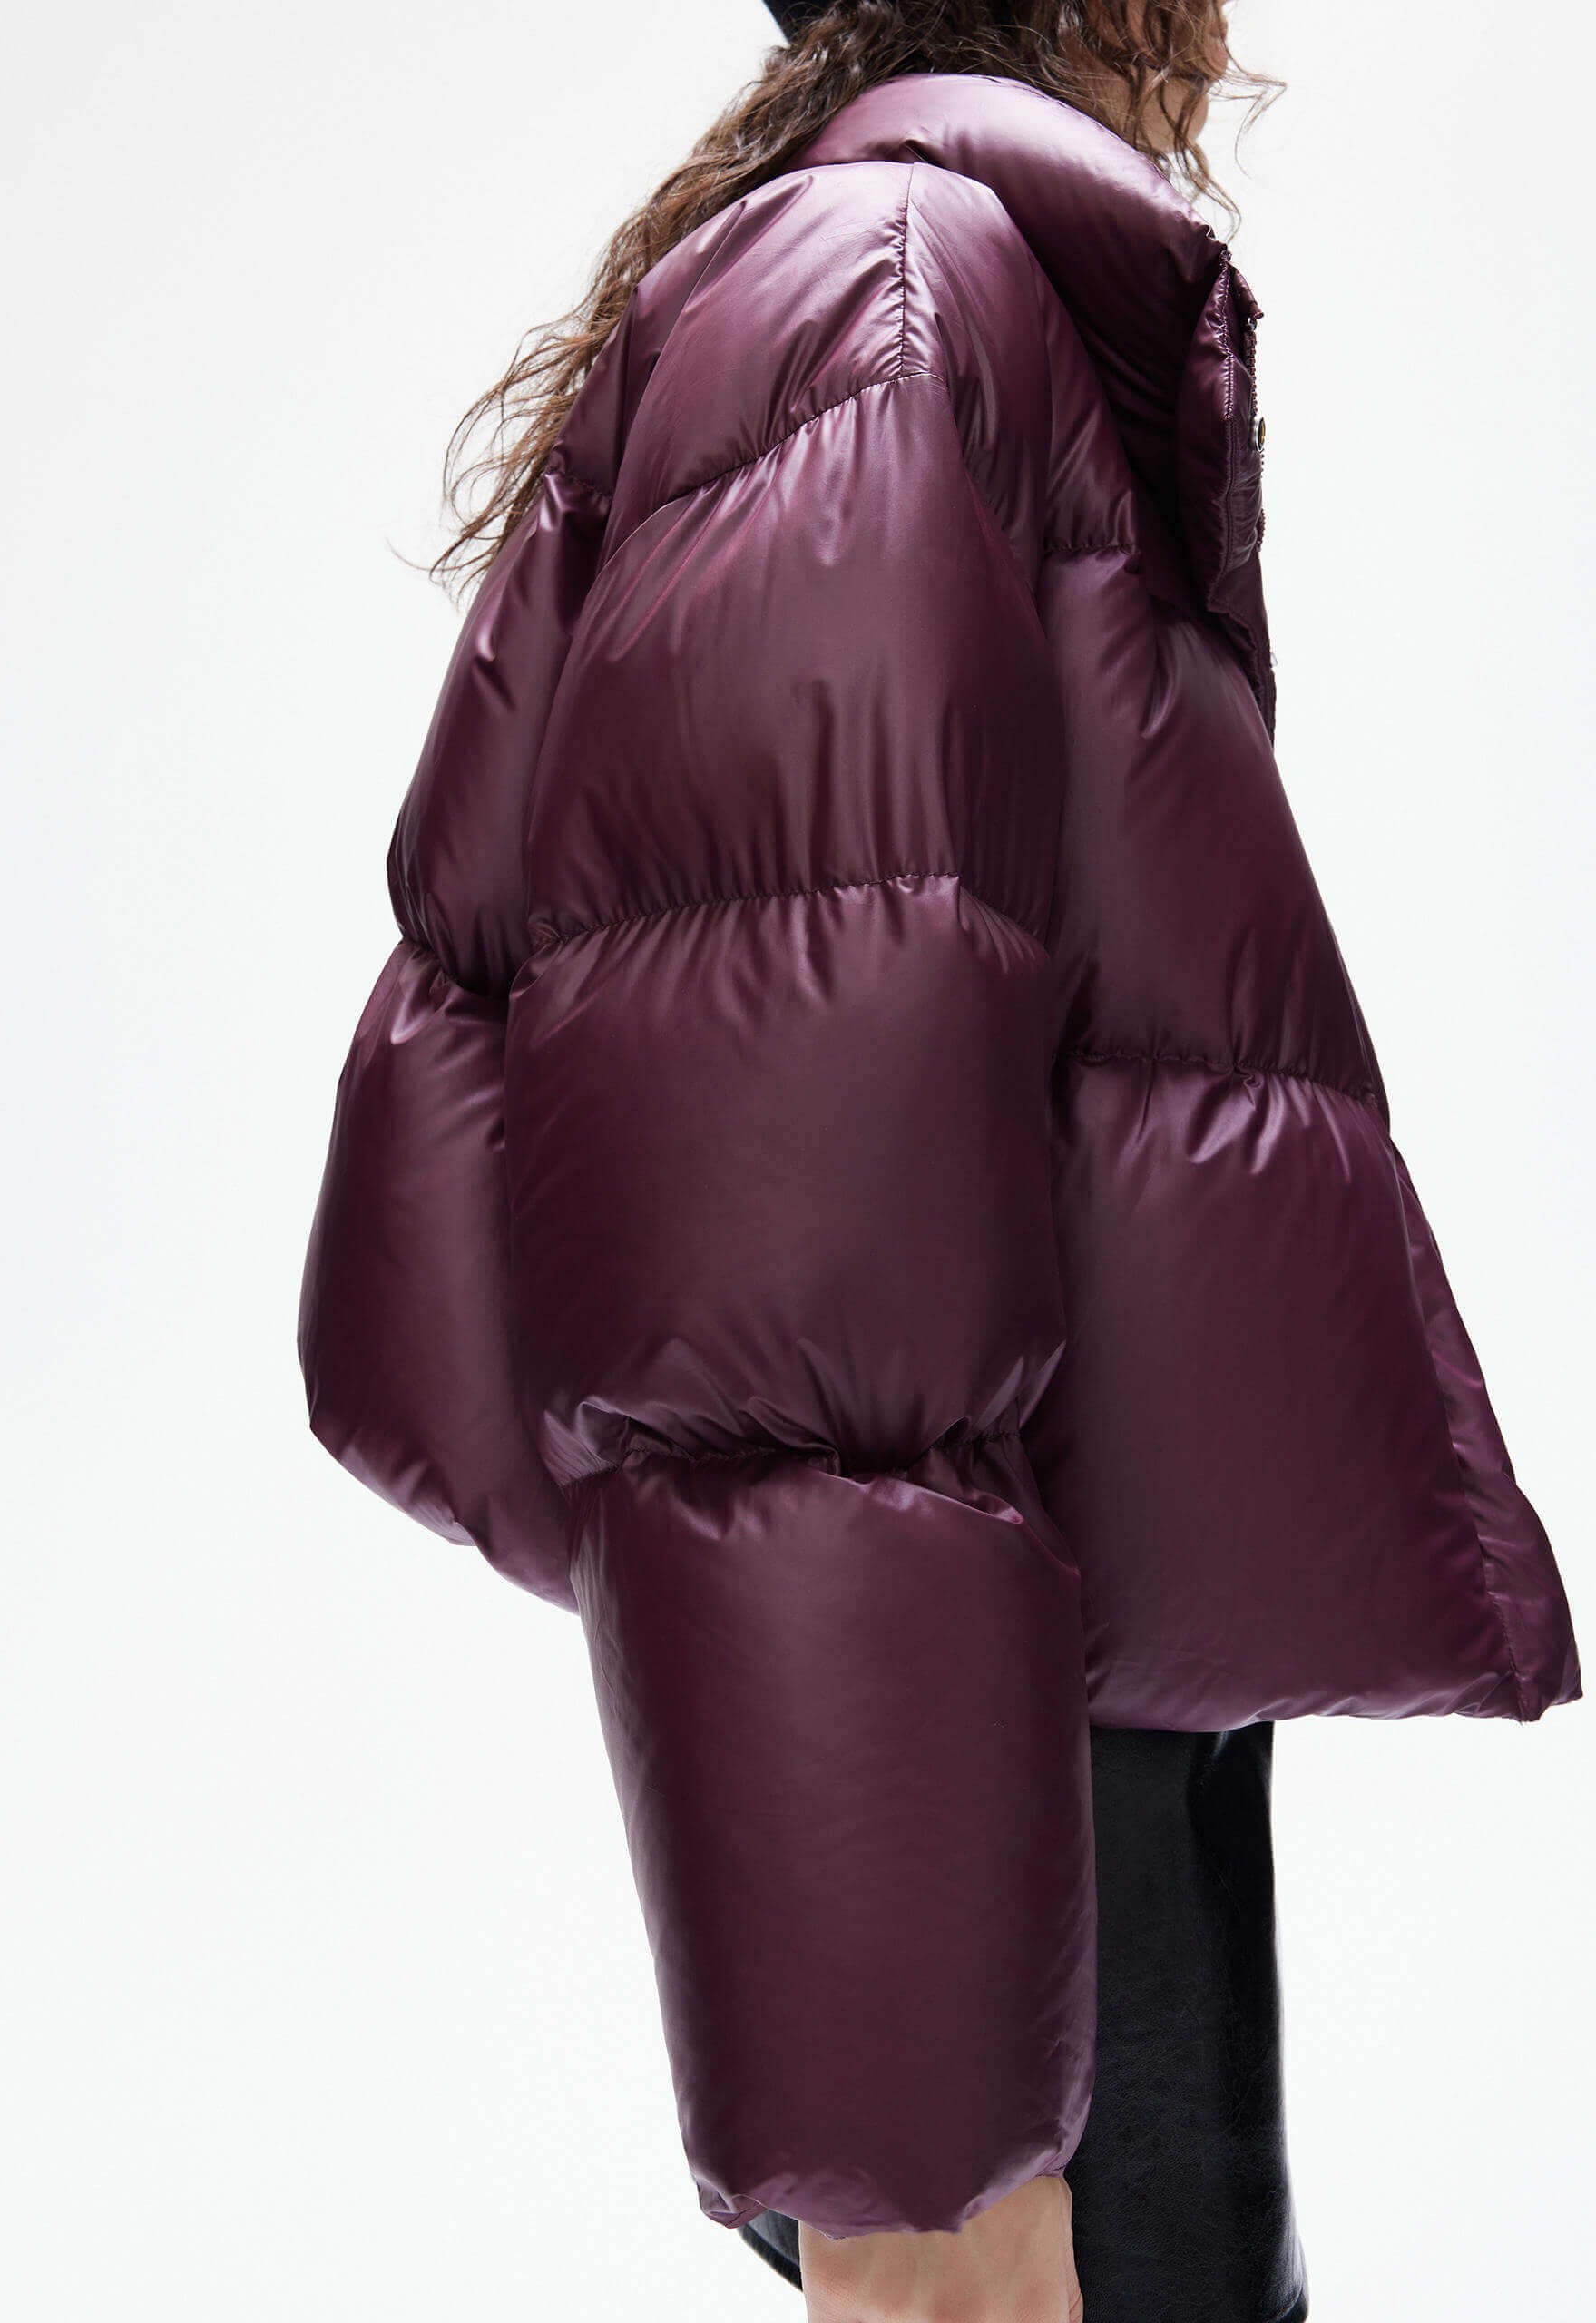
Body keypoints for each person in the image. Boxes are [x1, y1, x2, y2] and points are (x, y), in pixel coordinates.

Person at [297, 5, 1581, 2317]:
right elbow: (785, 1282)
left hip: (1032, 1733)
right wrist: (917, 2173)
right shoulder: (894, 290)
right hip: (994, 1819)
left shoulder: (915, 286)